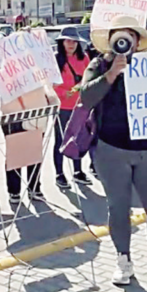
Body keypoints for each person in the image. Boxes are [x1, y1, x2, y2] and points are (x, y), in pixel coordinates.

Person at [80, 15, 147, 285]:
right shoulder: (99, 64)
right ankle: (123, 259)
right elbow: (86, 97)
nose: (126, 42)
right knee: (118, 208)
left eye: (131, 36)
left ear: (139, 41)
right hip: (112, 149)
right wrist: (112, 73)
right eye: (120, 37)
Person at [2, 85, 60, 204]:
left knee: (35, 154)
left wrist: (53, 98)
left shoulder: (39, 67)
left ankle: (34, 188)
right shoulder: (2, 66)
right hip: (13, 115)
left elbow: (48, 83)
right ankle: (14, 191)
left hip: (37, 116)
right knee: (14, 156)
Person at [52, 27, 92, 188]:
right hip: (62, 107)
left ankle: (78, 171)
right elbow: (50, 83)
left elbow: (90, 77)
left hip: (81, 105)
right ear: (62, 42)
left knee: (79, 138)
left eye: (74, 42)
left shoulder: (84, 58)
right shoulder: (55, 60)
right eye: (68, 41)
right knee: (60, 140)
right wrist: (63, 93)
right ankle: (59, 174)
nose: (71, 44)